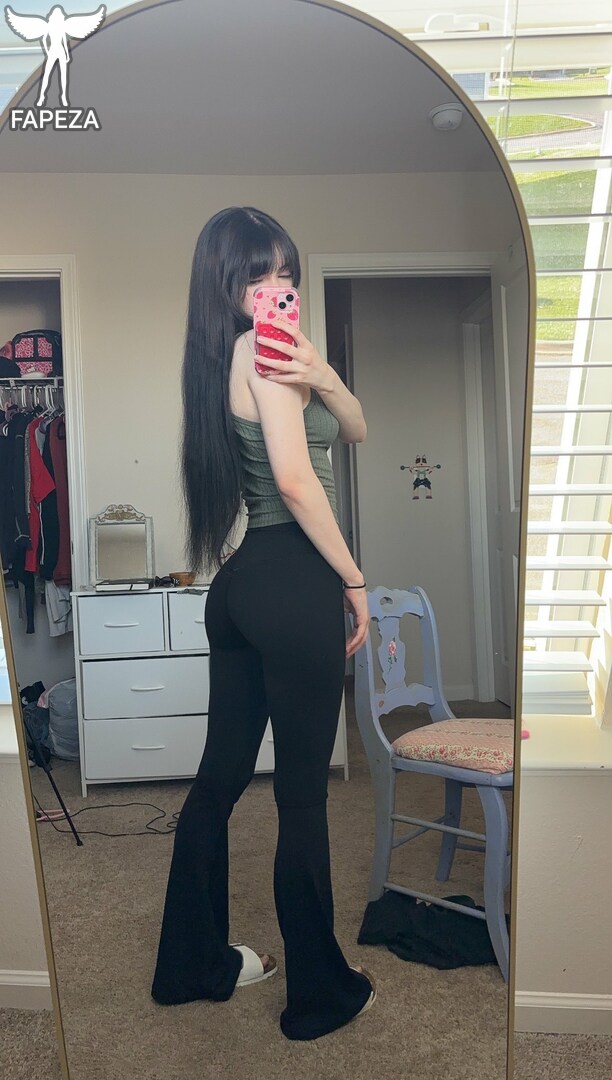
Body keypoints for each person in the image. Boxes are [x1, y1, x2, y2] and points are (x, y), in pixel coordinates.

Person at [151, 206, 376, 1041]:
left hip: (243, 587)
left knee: (218, 780)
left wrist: (324, 373)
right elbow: (294, 478)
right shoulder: (260, 351)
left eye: (285, 272)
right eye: (257, 275)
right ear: (227, 286)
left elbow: (356, 428)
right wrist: (354, 577)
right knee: (302, 797)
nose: (276, 287)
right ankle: (319, 995)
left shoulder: (239, 356)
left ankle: (190, 965)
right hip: (292, 580)